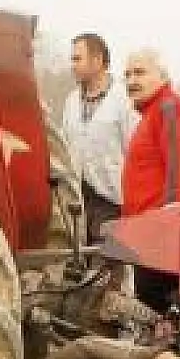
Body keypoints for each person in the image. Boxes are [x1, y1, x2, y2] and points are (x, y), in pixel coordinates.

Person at [60, 33, 137, 244]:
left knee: (109, 267)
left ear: (97, 61)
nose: (72, 65)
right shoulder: (70, 102)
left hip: (112, 201)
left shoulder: (125, 100)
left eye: (78, 59)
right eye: (72, 59)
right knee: (81, 268)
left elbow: (135, 151)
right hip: (78, 201)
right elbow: (64, 149)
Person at [119, 48, 180, 215]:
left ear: (163, 77)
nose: (131, 81)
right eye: (127, 75)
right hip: (141, 227)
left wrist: (172, 220)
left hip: (158, 230)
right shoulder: (151, 114)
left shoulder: (169, 109)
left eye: (139, 73)